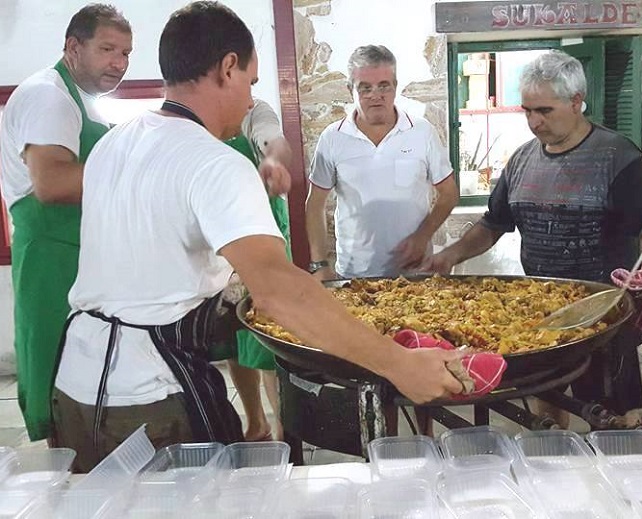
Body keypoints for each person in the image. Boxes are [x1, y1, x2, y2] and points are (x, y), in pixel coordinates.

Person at [50, 1, 462, 471]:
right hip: (150, 398)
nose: (250, 101)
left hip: (77, 385)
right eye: (250, 82)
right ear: (228, 67)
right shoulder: (217, 161)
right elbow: (279, 292)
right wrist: (399, 364)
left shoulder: (115, 143)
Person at [422, 50, 642, 427]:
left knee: (617, 421)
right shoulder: (522, 160)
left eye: (544, 111)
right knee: (548, 408)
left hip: (601, 316)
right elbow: (493, 224)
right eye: (527, 111)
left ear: (576, 101)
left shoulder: (617, 157)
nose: (534, 122)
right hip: (541, 313)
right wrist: (450, 254)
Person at [0, 4, 132, 443]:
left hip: (77, 244)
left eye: (126, 53)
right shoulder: (49, 96)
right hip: (52, 246)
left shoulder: (84, 100)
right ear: (73, 48)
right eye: (107, 49)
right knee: (54, 353)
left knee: (84, 357)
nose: (118, 63)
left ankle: (84, 444)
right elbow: (52, 183)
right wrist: (136, 175)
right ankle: (62, 458)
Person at [305, 44, 458, 281]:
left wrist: (422, 237)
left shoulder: (422, 131)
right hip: (355, 275)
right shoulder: (332, 138)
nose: (376, 95)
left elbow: (448, 194)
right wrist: (319, 264)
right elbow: (315, 204)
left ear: (395, 86)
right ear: (350, 90)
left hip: (416, 274)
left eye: (384, 86)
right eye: (365, 88)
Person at [222, 98, 294, 441]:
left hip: (262, 232)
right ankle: (255, 421)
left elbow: (274, 140)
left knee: (267, 338)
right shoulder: (194, 124)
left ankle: (282, 429)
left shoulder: (255, 111)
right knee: (233, 338)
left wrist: (273, 161)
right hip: (217, 237)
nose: (248, 94)